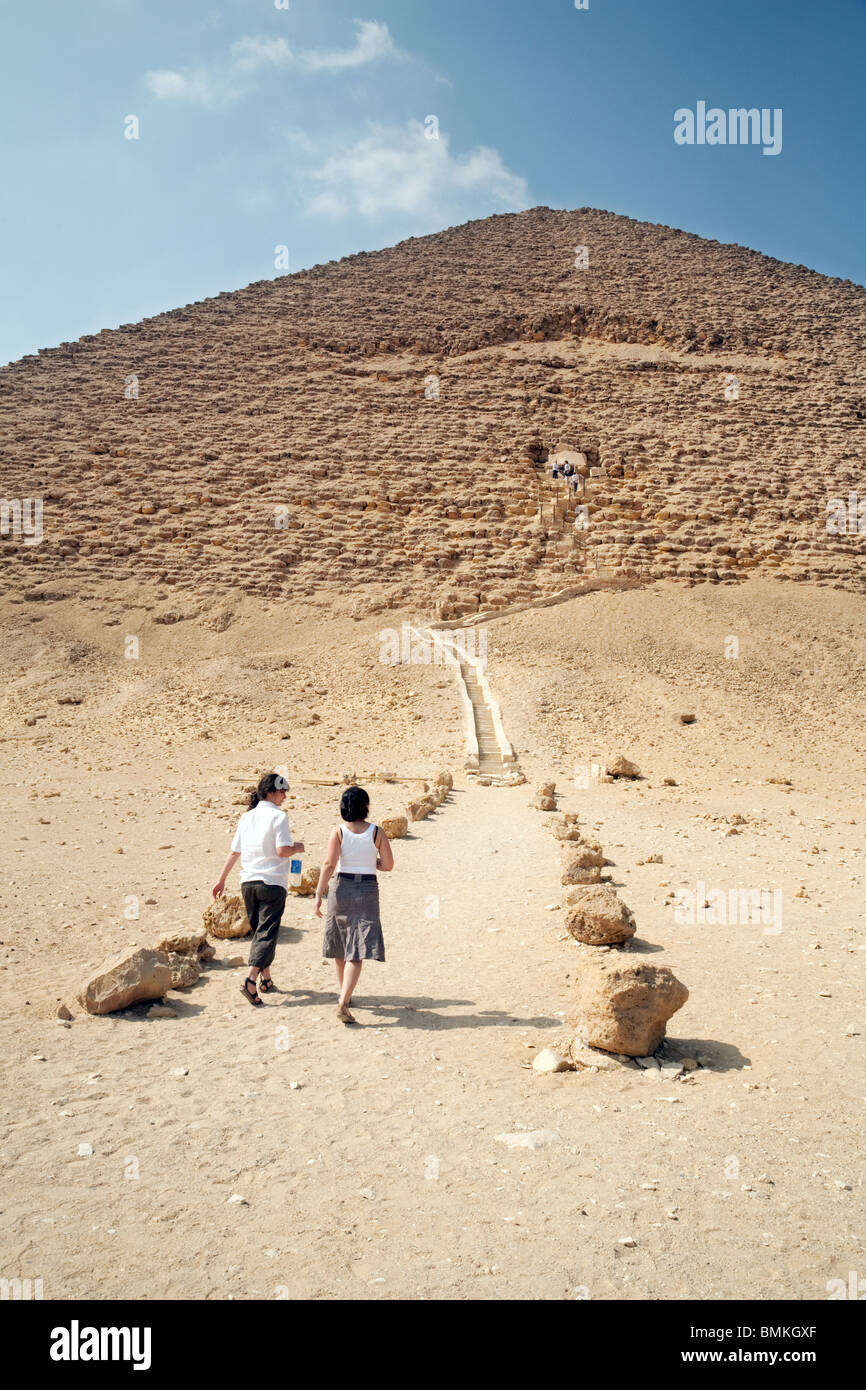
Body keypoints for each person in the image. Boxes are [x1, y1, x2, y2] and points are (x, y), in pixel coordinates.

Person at [212, 772, 305, 1008]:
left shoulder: (247, 818)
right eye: (282, 791)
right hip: (272, 882)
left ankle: (266, 979)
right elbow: (283, 850)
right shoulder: (279, 817)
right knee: (267, 933)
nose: (284, 796)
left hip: (248, 883)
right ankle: (250, 981)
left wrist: (221, 880)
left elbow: (234, 851)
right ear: (270, 792)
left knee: (260, 933)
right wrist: (298, 847)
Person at [314, 785, 394, 1024]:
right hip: (367, 888)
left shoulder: (338, 831)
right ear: (365, 806)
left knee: (340, 943)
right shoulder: (376, 832)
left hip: (341, 887)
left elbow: (329, 864)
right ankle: (344, 1000)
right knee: (357, 948)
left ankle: (344, 995)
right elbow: (389, 865)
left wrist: (319, 893)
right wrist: (372, 863)